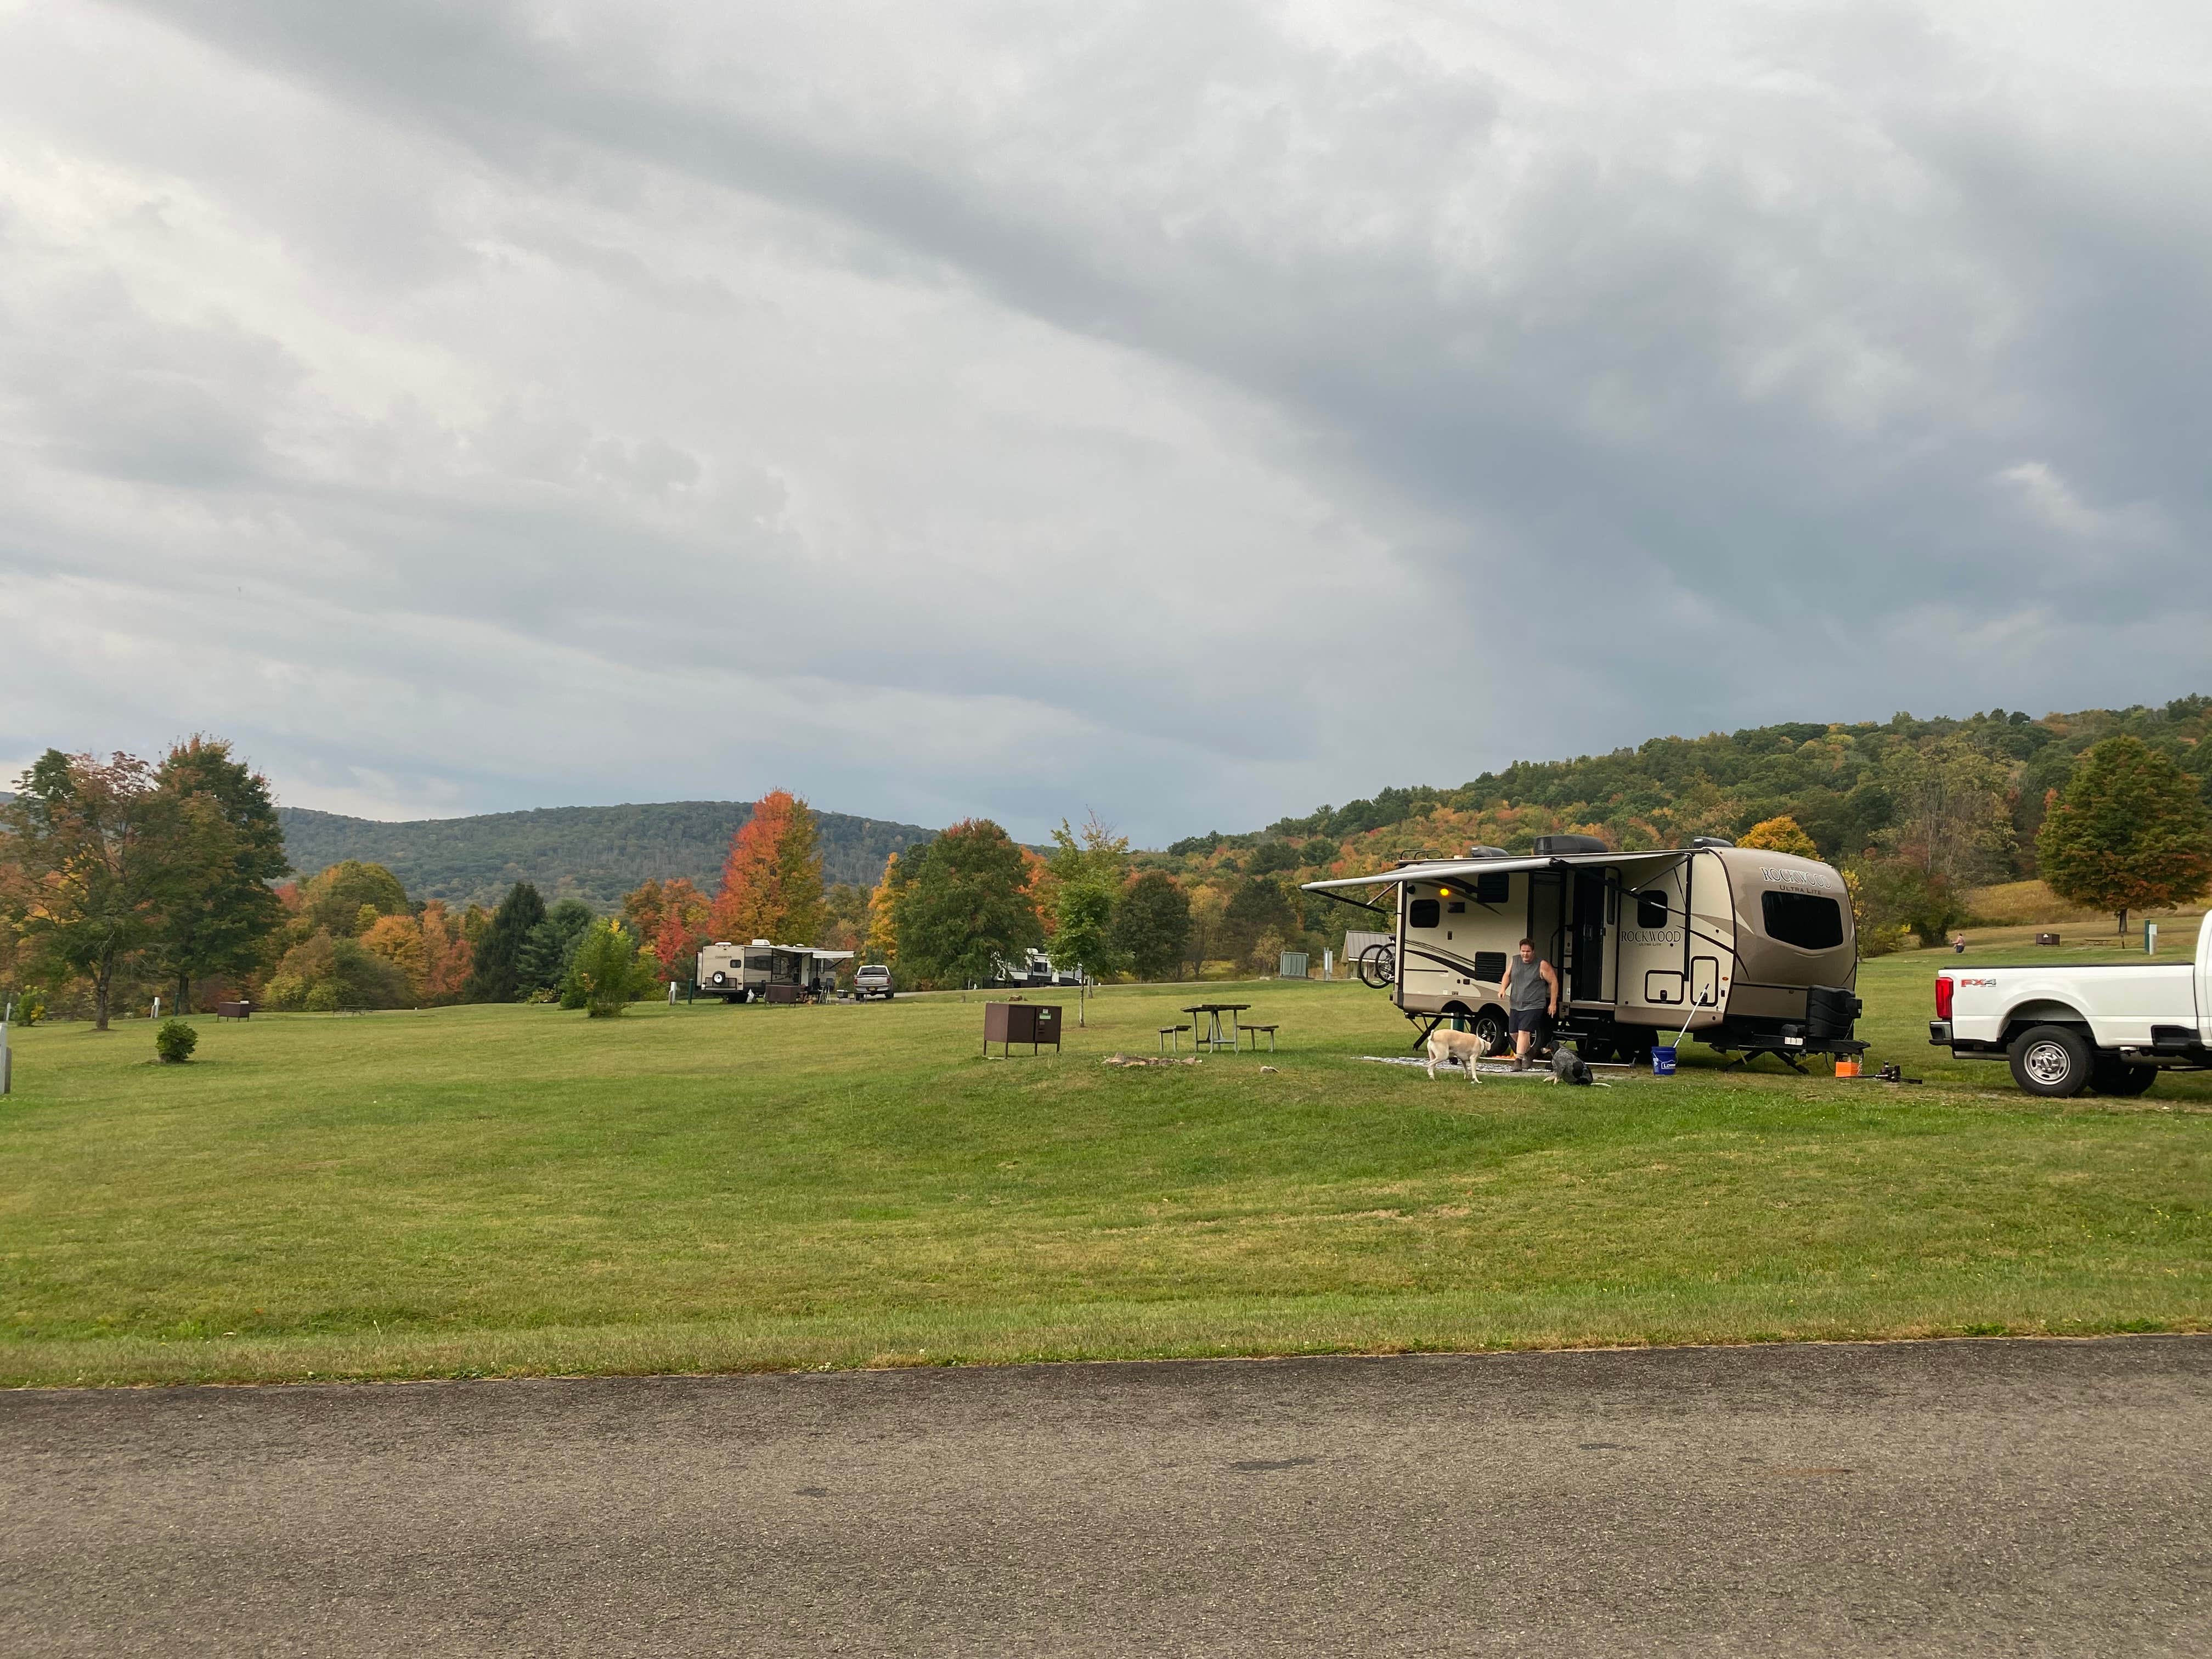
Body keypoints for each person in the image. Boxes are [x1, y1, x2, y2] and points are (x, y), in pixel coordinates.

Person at [1499, 937, 1559, 1072]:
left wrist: (1553, 1003)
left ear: (1533, 952)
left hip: (1534, 1004)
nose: (1525, 954)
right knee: (1514, 1033)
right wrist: (1503, 989)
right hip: (1516, 1003)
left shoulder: (1542, 964)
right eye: (1523, 951)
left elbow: (1554, 982)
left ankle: (1518, 1060)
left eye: (1528, 951)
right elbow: (1507, 975)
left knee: (1524, 1031)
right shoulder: (1515, 961)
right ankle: (1530, 1053)